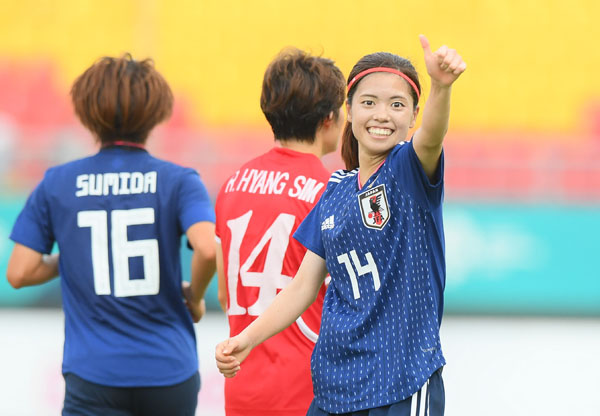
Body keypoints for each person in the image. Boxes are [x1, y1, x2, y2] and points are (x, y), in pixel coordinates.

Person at [216, 35, 466, 416]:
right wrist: (246, 339)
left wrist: (441, 88)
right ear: (348, 110)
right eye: (369, 102)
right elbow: (302, 286)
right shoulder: (335, 189)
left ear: (414, 115)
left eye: (397, 105)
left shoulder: (409, 172)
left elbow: (431, 139)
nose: (382, 115)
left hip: (399, 385)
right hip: (335, 390)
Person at [6, 54, 216, 416]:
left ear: (87, 111)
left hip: (93, 374)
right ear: (156, 111)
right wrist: (195, 298)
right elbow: (208, 250)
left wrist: (75, 255)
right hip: (168, 371)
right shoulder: (179, 180)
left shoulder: (57, 183)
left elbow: (19, 272)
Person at [214, 47, 346, 416]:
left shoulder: (232, 184)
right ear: (329, 118)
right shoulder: (330, 191)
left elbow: (225, 294)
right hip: (308, 392)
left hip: (242, 387)